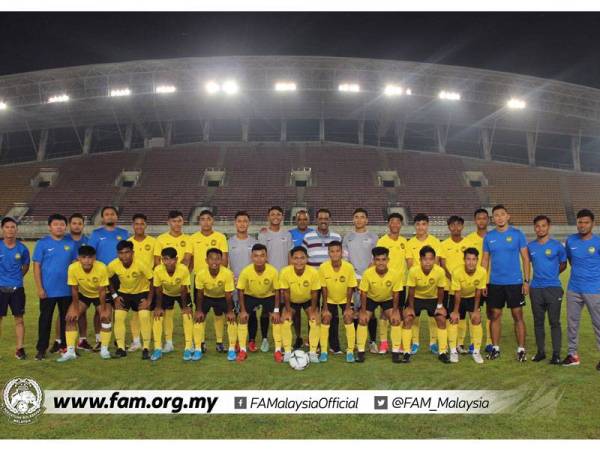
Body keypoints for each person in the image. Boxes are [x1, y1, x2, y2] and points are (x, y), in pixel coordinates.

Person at [481, 204, 530, 362]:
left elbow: (525, 258)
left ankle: (521, 349)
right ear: (493, 219)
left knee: (518, 315)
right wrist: (483, 282)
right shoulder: (489, 237)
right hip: (495, 283)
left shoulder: (517, 234)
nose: (500, 217)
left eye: (502, 214)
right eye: (496, 215)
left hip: (515, 283)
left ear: (508, 216)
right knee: (495, 315)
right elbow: (485, 261)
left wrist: (526, 281)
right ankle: (495, 348)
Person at [33, 214, 77, 360]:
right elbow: (37, 267)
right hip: (48, 291)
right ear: (50, 227)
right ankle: (41, 349)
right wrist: (40, 288)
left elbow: (75, 266)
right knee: (45, 320)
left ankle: (65, 346)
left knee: (67, 319)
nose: (59, 227)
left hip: (66, 290)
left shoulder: (70, 243)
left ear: (66, 226)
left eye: (62, 224)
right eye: (56, 224)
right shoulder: (42, 243)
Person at [87, 206, 130, 351]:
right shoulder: (96, 234)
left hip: (120, 277)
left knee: (120, 308)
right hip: (101, 276)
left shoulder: (124, 233)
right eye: (107, 214)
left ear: (116, 217)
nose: (110, 216)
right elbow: (90, 254)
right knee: (101, 309)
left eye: (112, 214)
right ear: (103, 217)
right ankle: (100, 339)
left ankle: (119, 340)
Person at [58, 245, 111, 361]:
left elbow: (102, 291)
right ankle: (71, 351)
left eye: (90, 257)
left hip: (100, 295)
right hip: (84, 295)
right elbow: (74, 289)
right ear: (79, 258)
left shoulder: (102, 267)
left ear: (94, 258)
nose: (87, 260)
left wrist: (103, 310)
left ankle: (104, 349)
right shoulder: (72, 268)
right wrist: (76, 309)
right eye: (84, 257)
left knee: (106, 317)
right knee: (70, 317)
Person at [563, 209, 600, 370]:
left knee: (598, 324)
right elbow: (571, 260)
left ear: (593, 223)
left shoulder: (598, 242)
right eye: (580, 222)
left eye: (586, 222)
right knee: (572, 323)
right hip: (574, 288)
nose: (582, 225)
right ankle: (573, 355)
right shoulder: (571, 241)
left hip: (594, 290)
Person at [527, 215, 567, 364]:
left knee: (554, 322)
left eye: (543, 225)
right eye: (537, 226)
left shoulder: (557, 246)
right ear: (534, 228)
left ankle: (556, 354)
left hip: (553, 288)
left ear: (548, 227)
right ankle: (540, 352)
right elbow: (526, 264)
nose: (540, 228)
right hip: (536, 289)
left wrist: (552, 275)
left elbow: (564, 264)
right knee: (538, 322)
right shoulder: (530, 247)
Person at [355, 247, 404, 363]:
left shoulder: (395, 274)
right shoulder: (367, 273)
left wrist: (396, 310)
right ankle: (360, 351)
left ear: (388, 260)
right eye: (378, 260)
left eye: (383, 259)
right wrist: (362, 310)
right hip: (371, 298)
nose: (381, 263)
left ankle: (396, 352)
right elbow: (363, 293)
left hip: (387, 299)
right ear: (374, 261)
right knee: (362, 319)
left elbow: (396, 294)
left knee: (396, 319)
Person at [107, 240, 154, 360]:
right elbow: (106, 279)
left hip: (141, 292)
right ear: (118, 254)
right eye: (121, 253)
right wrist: (115, 296)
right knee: (118, 316)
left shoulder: (141, 264)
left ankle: (146, 348)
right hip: (124, 293)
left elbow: (153, 281)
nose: (124, 256)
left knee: (144, 316)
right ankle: (121, 348)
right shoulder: (113, 264)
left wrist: (148, 300)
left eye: (127, 252)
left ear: (132, 253)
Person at [403, 246, 450, 364]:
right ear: (420, 260)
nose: (427, 262)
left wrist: (440, 306)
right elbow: (411, 290)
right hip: (416, 298)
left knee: (441, 319)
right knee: (408, 319)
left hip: (433, 298)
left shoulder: (439, 271)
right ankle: (406, 352)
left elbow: (440, 290)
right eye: (425, 259)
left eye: (430, 259)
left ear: (434, 259)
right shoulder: (413, 270)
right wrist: (410, 307)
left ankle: (443, 352)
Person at [342, 208, 380, 354]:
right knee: (355, 310)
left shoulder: (373, 237)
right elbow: (345, 257)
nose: (359, 219)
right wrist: (354, 276)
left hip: (369, 278)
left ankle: (372, 341)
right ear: (353, 220)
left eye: (362, 217)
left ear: (366, 220)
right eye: (356, 217)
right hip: (353, 278)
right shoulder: (347, 237)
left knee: (369, 311)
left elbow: (375, 258)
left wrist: (366, 276)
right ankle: (359, 342)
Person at [190, 209, 228, 352]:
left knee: (219, 312)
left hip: (218, 280)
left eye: (208, 219)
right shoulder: (193, 238)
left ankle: (219, 342)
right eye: (203, 219)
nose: (206, 221)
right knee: (201, 312)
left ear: (213, 221)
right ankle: (201, 342)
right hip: (200, 281)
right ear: (199, 221)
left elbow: (224, 258)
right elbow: (189, 259)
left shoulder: (220, 237)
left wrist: (223, 276)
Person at [154, 210, 192, 353]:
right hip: (166, 285)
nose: (177, 224)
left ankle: (190, 344)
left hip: (181, 280)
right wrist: (167, 273)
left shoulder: (188, 239)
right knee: (166, 314)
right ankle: (168, 343)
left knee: (187, 312)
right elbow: (157, 260)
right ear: (168, 222)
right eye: (174, 221)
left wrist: (176, 271)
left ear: (183, 222)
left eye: (179, 221)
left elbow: (187, 258)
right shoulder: (161, 239)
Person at [51, 213, 89, 353]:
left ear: (83, 225)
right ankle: (58, 340)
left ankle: (83, 340)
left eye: (80, 223)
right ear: (69, 225)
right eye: (74, 223)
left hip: (84, 282)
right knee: (64, 312)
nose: (77, 226)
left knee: (82, 311)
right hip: (66, 283)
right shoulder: (64, 240)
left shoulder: (88, 241)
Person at [236, 244, 281, 362]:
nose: (259, 259)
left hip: (268, 296)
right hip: (251, 296)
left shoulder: (273, 271)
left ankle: (278, 350)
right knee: (243, 318)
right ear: (252, 257)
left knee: (276, 319)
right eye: (256, 256)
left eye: (262, 256)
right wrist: (243, 310)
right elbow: (240, 290)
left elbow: (277, 291)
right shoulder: (246, 271)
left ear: (266, 257)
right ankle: (242, 350)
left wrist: (276, 311)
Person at [257, 206, 293, 351]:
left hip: (284, 277)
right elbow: (261, 256)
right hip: (269, 277)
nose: (276, 216)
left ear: (282, 217)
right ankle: (265, 339)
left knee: (282, 309)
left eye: (278, 214)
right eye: (273, 214)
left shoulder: (287, 234)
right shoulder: (263, 234)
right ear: (268, 216)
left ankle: (282, 340)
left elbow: (290, 255)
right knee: (267, 309)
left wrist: (290, 273)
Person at [405, 213, 441, 355]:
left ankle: (433, 343)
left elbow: (436, 263)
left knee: (434, 316)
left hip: (432, 287)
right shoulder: (410, 243)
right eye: (418, 224)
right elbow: (409, 265)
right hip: (416, 285)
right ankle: (415, 342)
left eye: (424, 224)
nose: (421, 227)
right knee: (414, 315)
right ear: (415, 226)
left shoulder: (435, 242)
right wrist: (419, 275)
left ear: (427, 225)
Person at [279, 246, 321, 363]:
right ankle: (287, 351)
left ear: (307, 259)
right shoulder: (285, 272)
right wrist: (287, 310)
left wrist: (313, 310)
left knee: (314, 320)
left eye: (302, 258)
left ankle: (312, 352)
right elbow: (286, 293)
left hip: (308, 299)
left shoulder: (313, 272)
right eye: (296, 258)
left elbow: (314, 293)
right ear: (291, 259)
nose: (299, 261)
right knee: (285, 320)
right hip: (291, 300)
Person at [151, 247, 193, 362]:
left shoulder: (183, 269)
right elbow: (158, 290)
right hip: (166, 293)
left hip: (182, 293)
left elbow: (184, 289)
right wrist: (158, 307)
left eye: (171, 259)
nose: (168, 262)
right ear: (162, 260)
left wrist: (185, 307)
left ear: (177, 259)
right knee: (158, 315)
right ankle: (159, 347)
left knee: (187, 315)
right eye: (165, 259)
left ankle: (189, 347)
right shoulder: (158, 270)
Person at [319, 241, 358, 363]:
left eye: (337, 251)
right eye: (332, 251)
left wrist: (347, 307)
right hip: (329, 299)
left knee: (348, 317)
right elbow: (323, 288)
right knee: (325, 317)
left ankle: (350, 351)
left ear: (342, 252)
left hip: (345, 298)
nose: (335, 254)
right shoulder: (323, 267)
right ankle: (324, 351)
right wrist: (325, 307)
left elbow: (350, 287)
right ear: (328, 253)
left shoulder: (348, 267)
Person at [194, 248, 237, 360]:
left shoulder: (227, 273)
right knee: (199, 318)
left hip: (223, 297)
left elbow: (228, 295)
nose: (214, 262)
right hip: (207, 297)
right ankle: (198, 348)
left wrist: (230, 311)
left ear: (221, 260)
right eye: (211, 259)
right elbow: (199, 294)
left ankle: (230, 348)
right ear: (206, 260)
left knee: (231, 318)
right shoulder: (200, 274)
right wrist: (198, 310)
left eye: (217, 259)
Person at [448, 248, 487, 364]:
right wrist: (455, 311)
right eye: (468, 259)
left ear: (477, 260)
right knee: (454, 319)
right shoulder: (457, 272)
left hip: (472, 296)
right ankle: (453, 351)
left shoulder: (482, 272)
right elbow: (457, 293)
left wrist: (475, 310)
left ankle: (476, 351)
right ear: (464, 260)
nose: (471, 262)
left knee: (476, 318)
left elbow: (478, 292)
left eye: (474, 259)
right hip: (457, 296)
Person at [462, 208, 492, 353]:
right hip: (475, 282)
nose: (481, 221)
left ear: (488, 220)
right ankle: (475, 342)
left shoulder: (493, 237)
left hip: (493, 280)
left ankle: (490, 342)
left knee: (492, 312)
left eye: (484, 218)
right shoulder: (468, 240)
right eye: (479, 218)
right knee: (475, 312)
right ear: (475, 221)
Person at [0, 217, 30, 360]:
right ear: (2, 229)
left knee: (19, 319)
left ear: (17, 229)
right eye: (7, 227)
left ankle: (20, 349)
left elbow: (25, 266)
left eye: (13, 227)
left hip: (17, 288)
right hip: (0, 288)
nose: (10, 230)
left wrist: (17, 278)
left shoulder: (22, 248)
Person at [127, 213, 157, 353]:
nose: (139, 226)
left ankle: (147, 340)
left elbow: (156, 262)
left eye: (142, 224)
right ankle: (136, 341)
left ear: (146, 225)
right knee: (135, 313)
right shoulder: (129, 242)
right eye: (136, 224)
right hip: (133, 284)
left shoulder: (153, 242)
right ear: (133, 225)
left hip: (149, 283)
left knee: (146, 312)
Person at [227, 211, 257, 352]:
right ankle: (238, 340)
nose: (242, 224)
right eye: (239, 221)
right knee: (236, 312)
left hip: (251, 285)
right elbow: (225, 264)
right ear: (235, 223)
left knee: (251, 313)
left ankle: (251, 340)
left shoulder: (254, 242)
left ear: (248, 223)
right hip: (234, 284)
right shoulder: (229, 242)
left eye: (245, 221)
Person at [439, 215, 466, 356]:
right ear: (449, 227)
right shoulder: (443, 245)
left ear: (462, 226)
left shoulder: (468, 243)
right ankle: (450, 343)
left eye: (458, 225)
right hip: (448, 287)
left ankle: (460, 343)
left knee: (461, 316)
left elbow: (471, 263)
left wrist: (461, 280)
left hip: (464, 288)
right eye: (453, 225)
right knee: (449, 315)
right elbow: (442, 265)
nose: (456, 228)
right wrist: (453, 278)